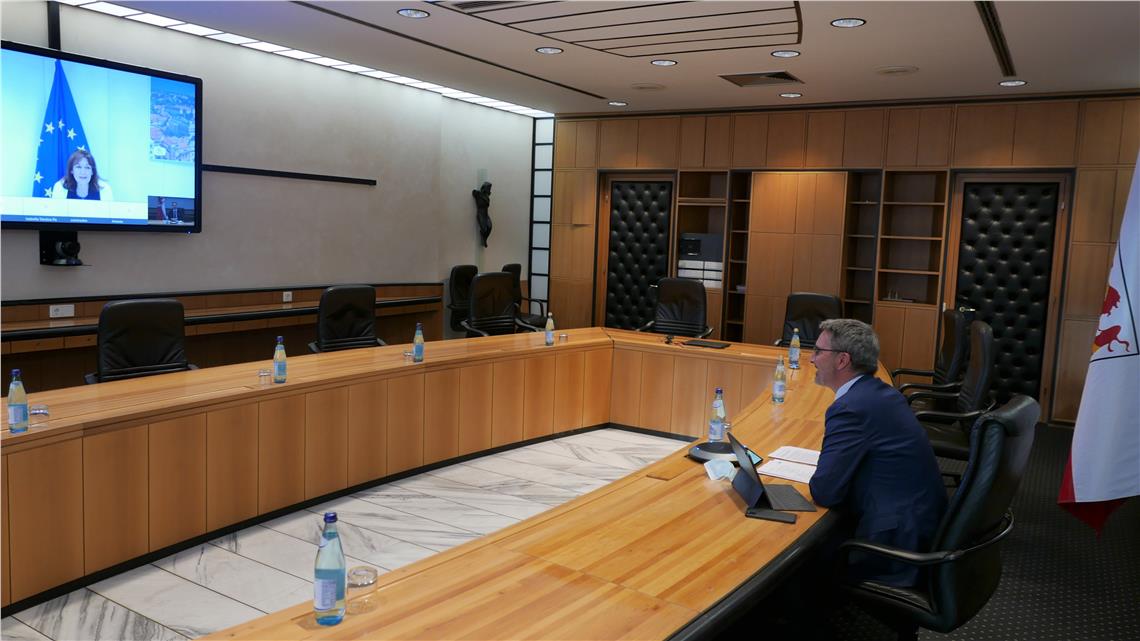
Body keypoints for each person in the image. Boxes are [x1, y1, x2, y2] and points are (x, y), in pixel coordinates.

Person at [808, 318, 947, 588]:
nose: (811, 359)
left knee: (798, 557)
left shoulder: (850, 408)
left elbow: (825, 492)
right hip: (921, 523)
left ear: (842, 360)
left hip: (894, 542)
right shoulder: (881, 393)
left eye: (818, 351)